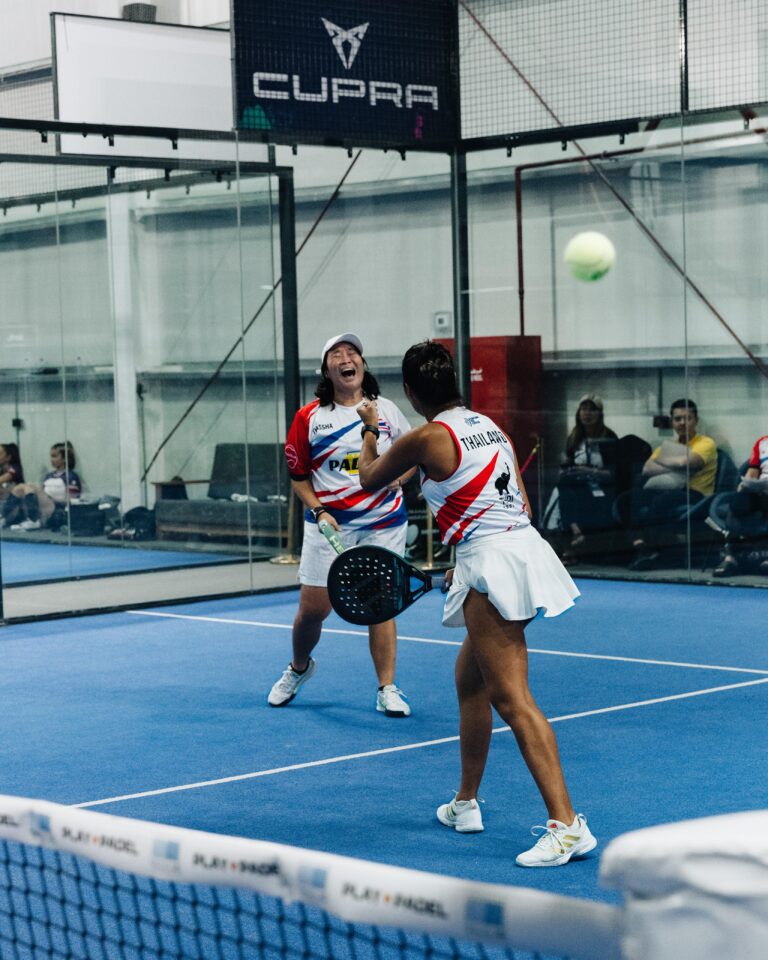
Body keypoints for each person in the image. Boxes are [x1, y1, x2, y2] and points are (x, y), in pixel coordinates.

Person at [355, 340, 594, 868]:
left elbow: (368, 479)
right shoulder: (490, 427)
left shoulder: (425, 437)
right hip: (520, 550)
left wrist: (370, 427)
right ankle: (465, 803)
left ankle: (567, 826)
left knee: (512, 699)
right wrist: (465, 553)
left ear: (411, 392)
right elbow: (518, 502)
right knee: (470, 682)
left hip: (493, 565)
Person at [268, 333, 415, 717]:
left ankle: (386, 688)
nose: (346, 358)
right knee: (313, 610)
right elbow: (299, 476)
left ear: (362, 365)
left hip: (383, 522)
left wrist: (401, 477)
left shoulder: (386, 410)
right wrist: (319, 511)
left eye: (353, 353)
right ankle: (299, 667)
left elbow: (414, 454)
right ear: (327, 370)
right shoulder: (309, 418)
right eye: (337, 354)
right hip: (329, 526)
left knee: (381, 606)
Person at [628, 399, 717, 570]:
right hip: (667, 489)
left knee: (660, 501)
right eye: (677, 419)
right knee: (628, 498)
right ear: (672, 422)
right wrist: (675, 462)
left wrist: (662, 461)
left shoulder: (706, 443)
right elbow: (647, 469)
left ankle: (655, 551)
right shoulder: (669, 445)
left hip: (696, 494)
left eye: (687, 418)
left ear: (696, 420)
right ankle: (639, 544)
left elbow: (688, 463)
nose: (682, 423)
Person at [557, 395, 618, 558]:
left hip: (601, 482)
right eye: (584, 409)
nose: (587, 413)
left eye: (592, 410)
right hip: (577, 481)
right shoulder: (574, 437)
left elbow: (615, 472)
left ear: (600, 414)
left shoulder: (608, 437)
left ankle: (574, 537)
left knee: (570, 492)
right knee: (564, 487)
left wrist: (589, 471)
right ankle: (574, 533)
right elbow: (568, 461)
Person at [713, 433, 768, 577]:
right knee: (739, 502)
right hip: (762, 491)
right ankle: (730, 558)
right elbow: (752, 473)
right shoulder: (762, 443)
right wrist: (745, 485)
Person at [2, 441, 81, 532]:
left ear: (64, 458)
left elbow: (73, 500)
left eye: (54, 456)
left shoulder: (70, 476)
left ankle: (33, 520)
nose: (51, 459)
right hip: (44, 507)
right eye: (51, 456)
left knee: (29, 485)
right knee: (20, 488)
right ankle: (3, 517)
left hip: (56, 509)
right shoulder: (49, 475)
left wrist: (53, 499)